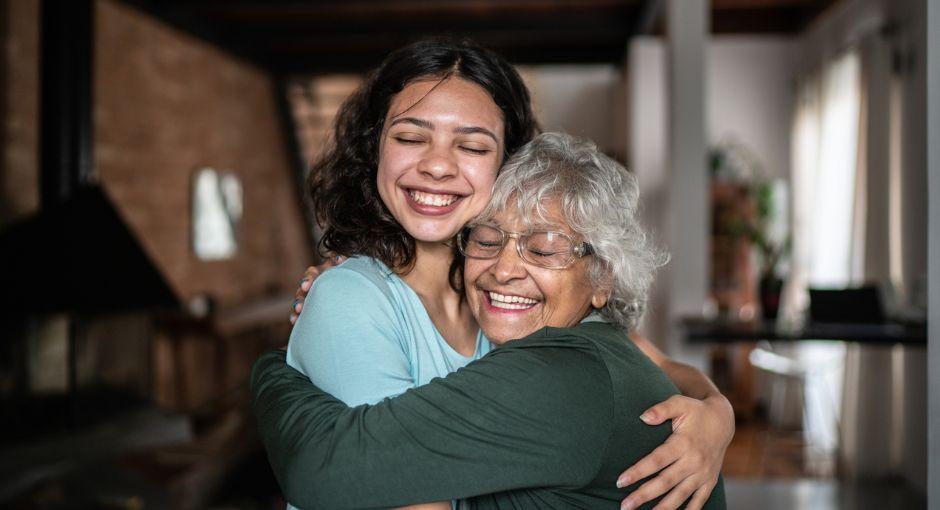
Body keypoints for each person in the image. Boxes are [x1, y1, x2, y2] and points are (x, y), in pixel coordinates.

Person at [282, 38, 732, 510]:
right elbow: (377, 479)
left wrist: (718, 416)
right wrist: (272, 377)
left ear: (509, 166)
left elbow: (659, 366)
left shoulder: (502, 297)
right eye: (411, 137)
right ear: (374, 149)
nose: (436, 165)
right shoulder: (354, 299)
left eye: (472, 145)